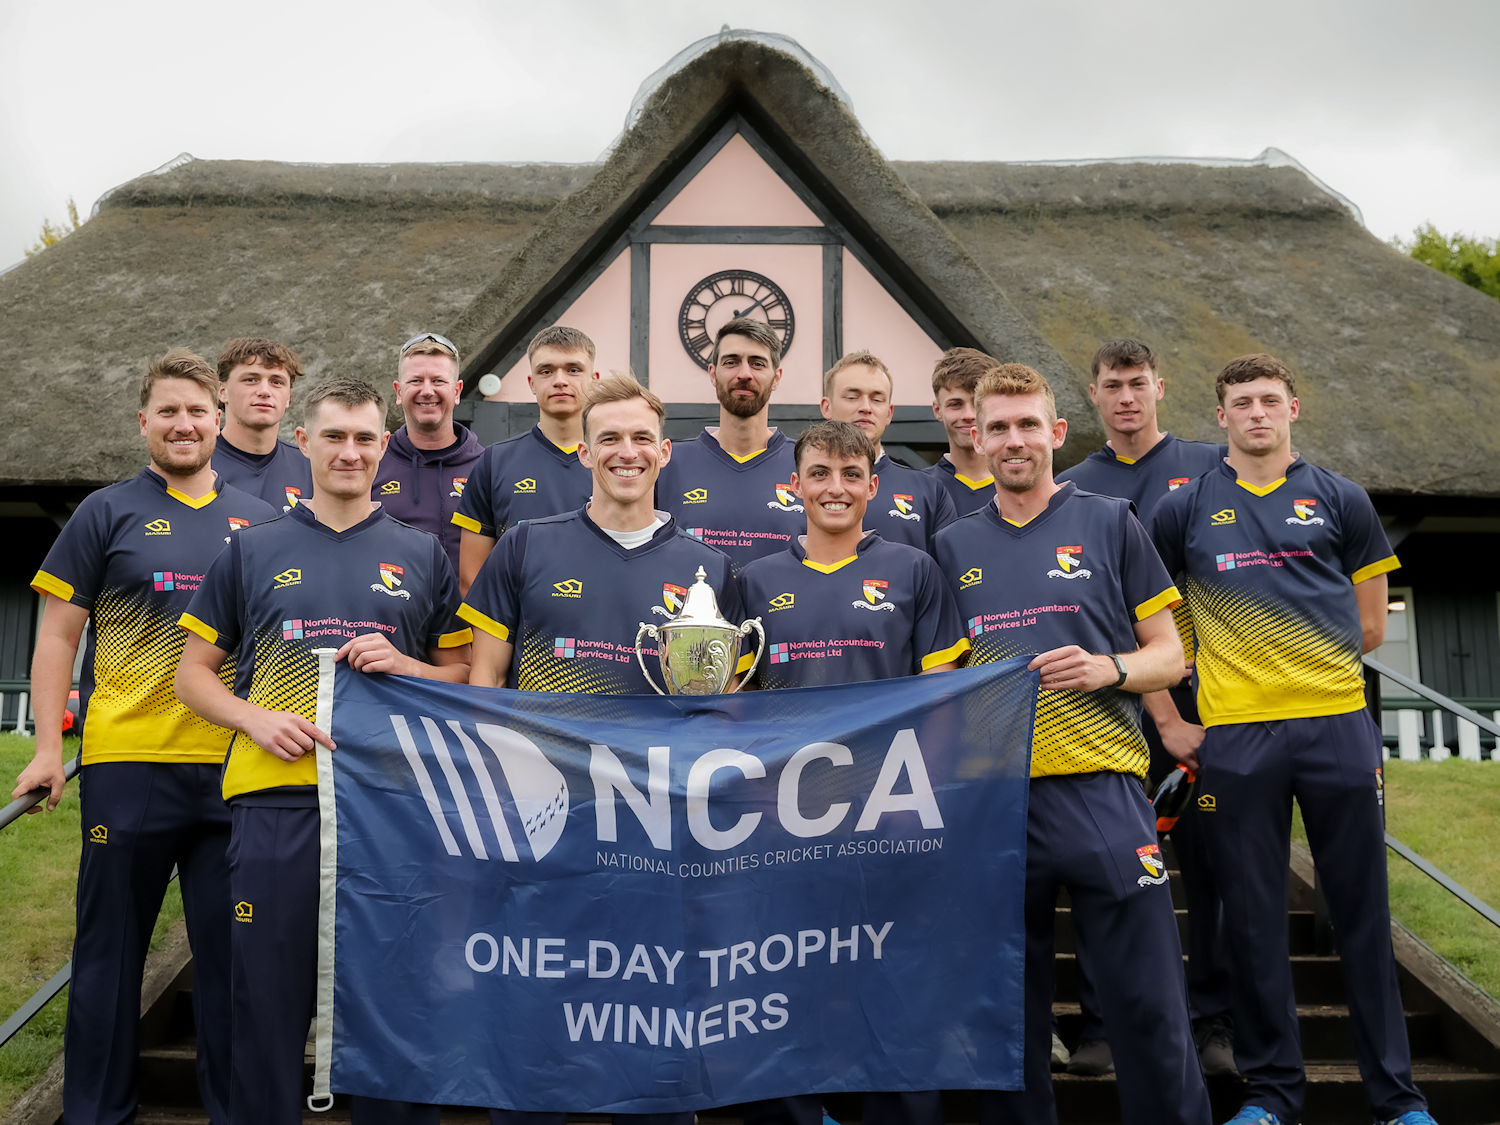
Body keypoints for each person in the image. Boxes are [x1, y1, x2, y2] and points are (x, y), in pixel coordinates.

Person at [174, 378, 472, 1125]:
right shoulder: (250, 550)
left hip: (392, 808)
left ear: (384, 447)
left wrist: (409, 665)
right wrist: (250, 718)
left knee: (396, 998)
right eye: (335, 435)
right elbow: (190, 677)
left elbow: (466, 676)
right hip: (277, 800)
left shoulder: (422, 554)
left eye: (366, 438)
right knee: (266, 998)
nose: (350, 451)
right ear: (304, 442)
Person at [1150, 354, 1434, 1125]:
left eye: (1269, 400)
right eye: (1241, 402)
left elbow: (1371, 624)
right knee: (1252, 918)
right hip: (1236, 740)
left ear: (1294, 409)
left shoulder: (1341, 497)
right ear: (1221, 417)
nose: (1256, 413)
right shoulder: (1185, 508)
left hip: (1337, 726)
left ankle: (1397, 1098)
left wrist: (1302, 666)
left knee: (1362, 915)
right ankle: (1273, 1094)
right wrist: (1173, 720)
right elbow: (1145, 619)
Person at [932, 363, 1210, 1125]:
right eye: (998, 427)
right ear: (976, 438)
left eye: (1028, 424)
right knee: (1007, 1019)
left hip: (1103, 789)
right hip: (994, 799)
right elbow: (938, 688)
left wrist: (1107, 667)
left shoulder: (1111, 522)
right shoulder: (950, 547)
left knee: (1150, 1003)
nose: (1013, 439)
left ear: (1056, 433)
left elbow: (1171, 655)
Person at [14, 348, 275, 1124]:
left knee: (232, 964)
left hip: (234, 768)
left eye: (197, 411)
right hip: (129, 764)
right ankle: (96, 1111)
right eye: (168, 411)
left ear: (218, 419)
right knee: (108, 954)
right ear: (144, 422)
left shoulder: (263, 524)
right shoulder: (105, 511)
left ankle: (236, 1112)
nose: (185, 424)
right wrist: (49, 748)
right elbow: (57, 637)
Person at [462, 373, 722, 1125]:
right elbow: (484, 680)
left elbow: (725, 713)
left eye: (642, 436)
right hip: (547, 825)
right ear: (584, 451)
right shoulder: (523, 548)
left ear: (665, 451)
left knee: (657, 1030)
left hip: (659, 832)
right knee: (534, 1026)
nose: (626, 451)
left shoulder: (710, 570)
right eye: (609, 436)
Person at [737, 418, 966, 1125]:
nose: (833, 488)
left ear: (872, 484)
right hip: (786, 816)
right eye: (819, 473)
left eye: (848, 474)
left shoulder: (914, 569)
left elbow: (943, 697)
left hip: (887, 812)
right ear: (794, 485)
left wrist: (916, 792)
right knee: (786, 976)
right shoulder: (753, 582)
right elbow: (736, 706)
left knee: (892, 976)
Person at [1055, 338, 1233, 1078]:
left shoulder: (1211, 468)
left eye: (1137, 384)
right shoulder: (1072, 488)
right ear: (1092, 397)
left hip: (1212, 703)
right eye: (1111, 386)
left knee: (1211, 870)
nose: (1126, 397)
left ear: (1160, 387)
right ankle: (1102, 1023)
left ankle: (1213, 1022)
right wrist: (1160, 715)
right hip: (1113, 708)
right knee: (1110, 871)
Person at [453, 325, 599, 594]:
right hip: (517, 631)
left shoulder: (618, 462)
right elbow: (472, 578)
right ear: (532, 383)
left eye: (574, 370)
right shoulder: (494, 462)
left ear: (594, 379)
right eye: (546, 371)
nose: (560, 380)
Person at [654, 317, 803, 572]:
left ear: (776, 377)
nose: (744, 374)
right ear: (713, 373)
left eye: (757, 363)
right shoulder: (668, 464)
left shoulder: (807, 464)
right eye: (731, 362)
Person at [373, 331, 484, 573]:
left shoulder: (487, 467)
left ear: (457, 391)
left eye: (438, 381)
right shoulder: (372, 462)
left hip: (468, 610)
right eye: (415, 381)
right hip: (394, 607)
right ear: (398, 391)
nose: (427, 391)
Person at [211, 336, 313, 512]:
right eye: (251, 379)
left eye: (276, 382)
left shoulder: (311, 468)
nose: (265, 391)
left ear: (288, 397)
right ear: (222, 392)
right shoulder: (197, 464)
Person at [925, 347, 999, 516]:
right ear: (937, 410)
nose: (968, 415)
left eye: (978, 404)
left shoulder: (1021, 488)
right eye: (955, 404)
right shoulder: (919, 488)